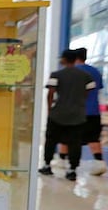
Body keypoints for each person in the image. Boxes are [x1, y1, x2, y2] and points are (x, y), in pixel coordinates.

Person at [38, 49, 96, 181]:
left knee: (51, 140)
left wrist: (49, 109)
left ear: (64, 59)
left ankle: (47, 165)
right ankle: (72, 170)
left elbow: (51, 92)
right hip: (78, 115)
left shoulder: (56, 74)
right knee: (75, 143)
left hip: (58, 114)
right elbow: (88, 92)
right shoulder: (85, 76)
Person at [55, 47, 107, 175]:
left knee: (66, 135)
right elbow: (98, 89)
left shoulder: (71, 72)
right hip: (93, 111)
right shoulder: (95, 71)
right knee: (93, 137)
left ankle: (61, 160)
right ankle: (99, 162)